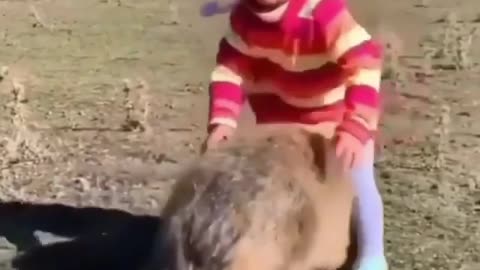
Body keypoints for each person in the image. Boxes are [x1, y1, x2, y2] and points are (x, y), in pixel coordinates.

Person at [201, 0, 387, 270]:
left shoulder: (323, 12)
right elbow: (229, 71)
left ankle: (372, 256)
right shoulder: (244, 18)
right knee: (259, 186)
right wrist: (223, 122)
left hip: (335, 119)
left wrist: (356, 126)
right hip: (277, 121)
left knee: (360, 182)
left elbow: (365, 62)